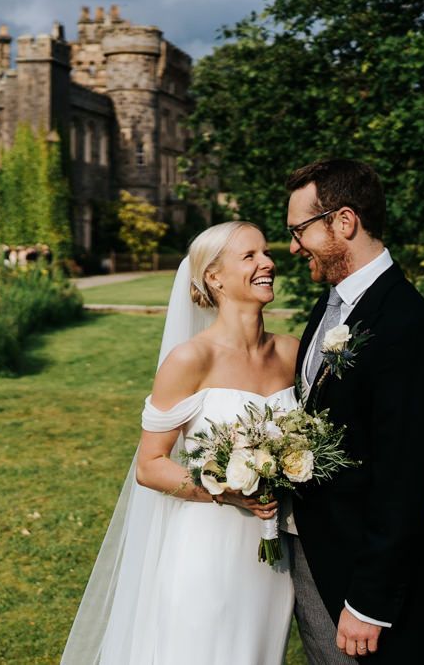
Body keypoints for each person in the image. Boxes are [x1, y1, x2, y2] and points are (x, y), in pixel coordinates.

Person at [62, 221, 298, 664]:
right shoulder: (191, 358)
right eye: (249, 257)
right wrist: (221, 490)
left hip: (272, 555)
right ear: (214, 277)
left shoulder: (291, 353)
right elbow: (149, 465)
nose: (268, 263)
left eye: (265, 253)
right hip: (207, 550)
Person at [285, 158, 424, 664]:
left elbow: (403, 477)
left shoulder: (404, 323)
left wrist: (370, 602)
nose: (293, 246)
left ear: (344, 222)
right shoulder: (331, 306)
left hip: (367, 579)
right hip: (321, 554)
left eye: (299, 230)